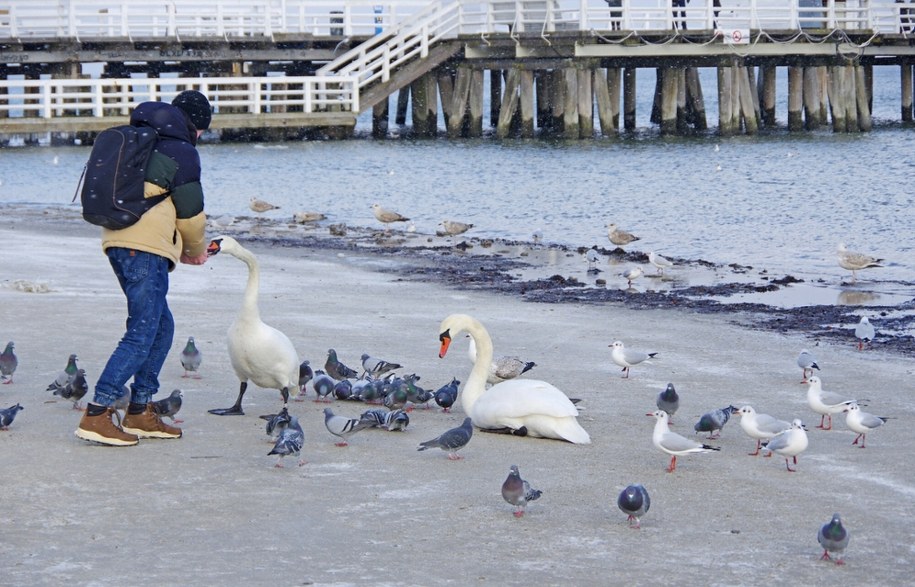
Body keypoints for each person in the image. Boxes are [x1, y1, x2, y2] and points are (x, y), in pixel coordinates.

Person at [75, 90, 212, 446]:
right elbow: (192, 214)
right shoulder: (180, 150)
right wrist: (195, 250)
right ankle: (98, 412)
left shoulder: (138, 138)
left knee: (161, 326)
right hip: (144, 248)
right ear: (194, 125)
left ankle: (139, 409)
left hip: (118, 240)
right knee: (143, 331)